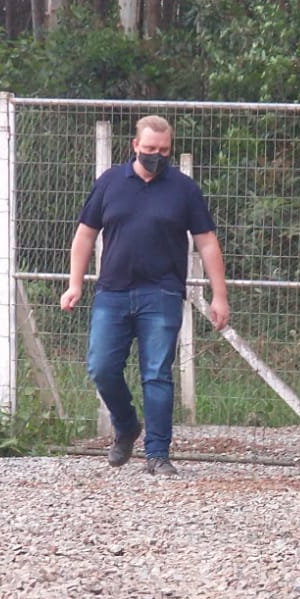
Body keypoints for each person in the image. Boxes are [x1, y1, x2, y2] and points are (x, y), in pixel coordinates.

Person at [60, 115, 230, 477]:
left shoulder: (183, 189)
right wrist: (75, 283)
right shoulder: (109, 183)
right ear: (135, 145)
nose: (157, 156)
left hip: (162, 293)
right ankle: (126, 426)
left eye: (164, 150)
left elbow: (207, 243)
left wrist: (219, 295)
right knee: (101, 368)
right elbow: (85, 235)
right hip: (113, 292)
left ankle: (157, 454)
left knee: (156, 373)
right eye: (150, 149)